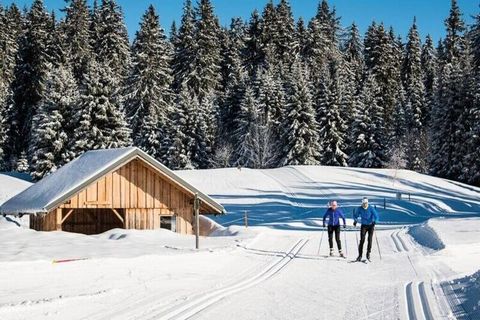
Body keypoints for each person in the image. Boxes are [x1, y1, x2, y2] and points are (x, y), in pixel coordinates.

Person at [353, 197, 379, 261]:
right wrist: (355, 220)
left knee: (369, 240)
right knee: (362, 240)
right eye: (364, 203)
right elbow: (355, 215)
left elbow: (377, 216)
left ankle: (368, 253)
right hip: (364, 226)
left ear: (368, 203)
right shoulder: (360, 208)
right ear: (362, 203)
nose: (365, 205)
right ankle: (360, 255)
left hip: (371, 226)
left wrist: (375, 222)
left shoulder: (371, 208)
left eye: (366, 203)